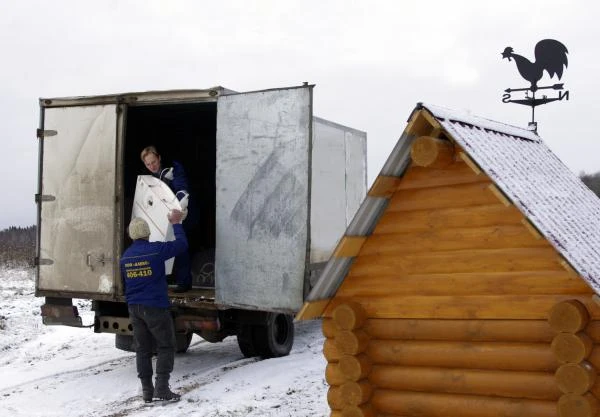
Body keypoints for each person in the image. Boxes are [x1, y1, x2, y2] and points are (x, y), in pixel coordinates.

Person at [121, 211, 187, 403]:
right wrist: (176, 223)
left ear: (132, 235)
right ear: (148, 234)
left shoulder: (125, 257)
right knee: (166, 345)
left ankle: (147, 392)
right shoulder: (156, 250)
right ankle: (162, 388)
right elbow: (182, 245)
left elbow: (125, 285)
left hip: (134, 308)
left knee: (142, 350)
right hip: (155, 307)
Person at [140, 145, 193, 293]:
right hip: (158, 217)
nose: (152, 166)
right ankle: (161, 281)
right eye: (148, 164)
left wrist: (182, 202)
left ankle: (184, 282)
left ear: (159, 157)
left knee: (180, 247)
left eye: (154, 162)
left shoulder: (174, 168)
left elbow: (181, 188)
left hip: (176, 215)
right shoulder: (147, 177)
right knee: (159, 248)